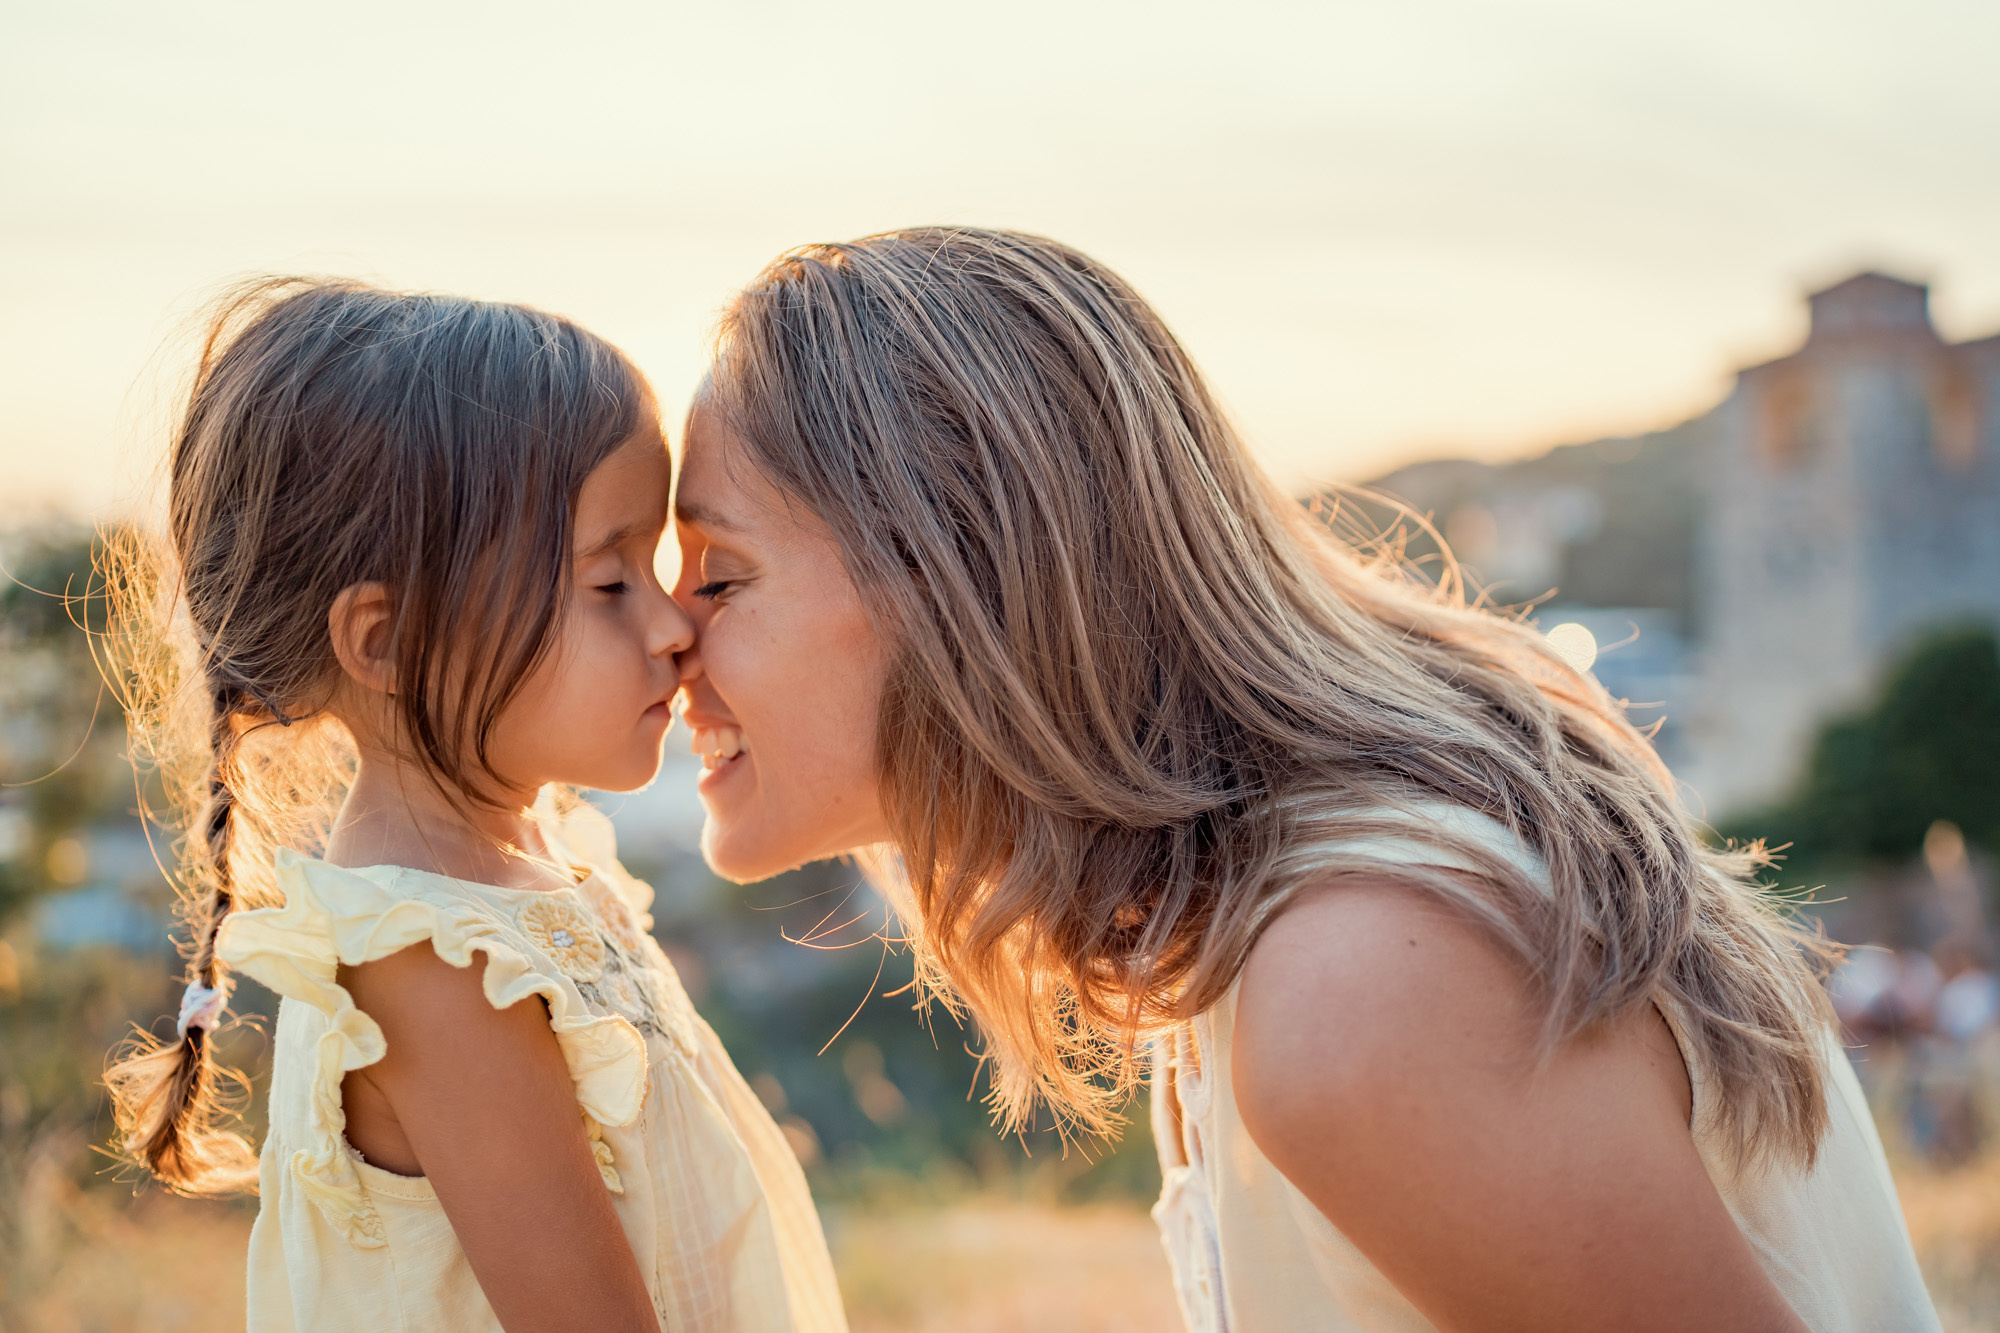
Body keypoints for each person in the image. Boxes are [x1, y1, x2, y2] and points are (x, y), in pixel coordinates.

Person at [670, 227, 1941, 1331]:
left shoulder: (1359, 983)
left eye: (718, 574)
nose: (669, 639)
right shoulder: (1300, 910)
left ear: (952, 571)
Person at [104, 280, 846, 1332]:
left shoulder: (527, 869)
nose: (676, 622)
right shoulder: (434, 958)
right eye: (609, 583)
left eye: (657, 567)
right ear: (389, 640)